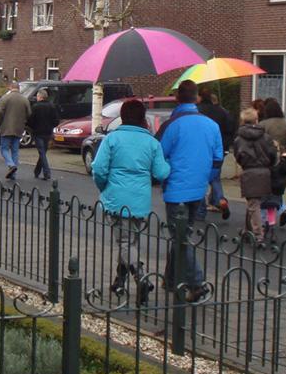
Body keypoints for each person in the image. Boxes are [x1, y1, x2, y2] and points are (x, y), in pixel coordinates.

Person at [92, 98, 170, 304]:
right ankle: (119, 281)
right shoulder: (152, 143)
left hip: (116, 199)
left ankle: (141, 278)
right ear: (143, 118)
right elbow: (161, 173)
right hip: (140, 201)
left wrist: (104, 187)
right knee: (130, 242)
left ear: (122, 117)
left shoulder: (112, 139)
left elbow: (98, 169)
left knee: (125, 242)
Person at [157, 80, 222, 302]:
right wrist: (206, 179)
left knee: (180, 237)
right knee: (182, 234)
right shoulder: (211, 125)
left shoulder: (172, 125)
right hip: (198, 190)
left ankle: (197, 283)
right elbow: (218, 159)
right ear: (197, 98)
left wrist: (164, 176)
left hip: (176, 190)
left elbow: (159, 156)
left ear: (177, 98)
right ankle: (170, 279)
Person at [232, 107, 277, 245]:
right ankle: (248, 229)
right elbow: (273, 155)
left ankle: (258, 234)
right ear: (256, 120)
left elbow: (238, 156)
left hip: (249, 171)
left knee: (253, 203)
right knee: (253, 202)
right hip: (264, 171)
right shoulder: (266, 137)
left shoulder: (239, 139)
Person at [198, 87, 234, 220]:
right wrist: (226, 146)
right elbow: (230, 129)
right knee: (215, 178)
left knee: (200, 178)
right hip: (219, 149)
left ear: (200, 97)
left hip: (202, 150)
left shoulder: (197, 111)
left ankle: (200, 210)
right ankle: (220, 199)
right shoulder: (222, 111)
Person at [259, 97, 286, 226]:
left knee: (265, 189)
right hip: (281, 158)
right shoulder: (284, 123)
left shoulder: (263, 124)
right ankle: (281, 208)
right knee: (278, 186)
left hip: (267, 158)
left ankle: (266, 220)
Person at [0, 82, 31, 180]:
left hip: (6, 127)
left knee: (4, 149)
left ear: (10, 87)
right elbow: (29, 113)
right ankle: (13, 174)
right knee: (15, 150)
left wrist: (0, 122)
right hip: (19, 128)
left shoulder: (5, 98)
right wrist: (23, 121)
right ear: (19, 88)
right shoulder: (24, 99)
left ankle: (11, 165)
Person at [27, 88, 58, 180]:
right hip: (48, 132)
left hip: (38, 133)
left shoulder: (35, 107)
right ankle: (37, 171)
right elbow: (56, 120)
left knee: (42, 152)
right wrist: (51, 126)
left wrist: (33, 127)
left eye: (37, 96)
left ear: (40, 97)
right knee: (43, 152)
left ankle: (47, 172)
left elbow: (30, 120)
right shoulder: (52, 106)